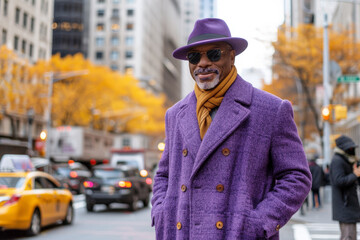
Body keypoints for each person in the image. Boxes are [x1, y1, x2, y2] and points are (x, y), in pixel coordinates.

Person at [151, 18, 311, 240]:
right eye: (194, 57)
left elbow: (296, 176)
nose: (203, 63)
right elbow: (164, 175)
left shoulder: (271, 109)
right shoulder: (175, 114)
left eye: (214, 54)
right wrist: (161, 212)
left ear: (231, 55)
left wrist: (258, 224)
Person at [330, 135, 360, 240]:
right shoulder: (338, 160)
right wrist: (355, 175)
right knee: (348, 236)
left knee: (349, 236)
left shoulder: (347, 160)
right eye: (350, 148)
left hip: (348, 205)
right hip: (344, 205)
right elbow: (339, 181)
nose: (352, 150)